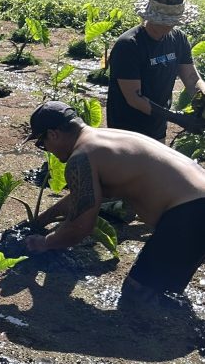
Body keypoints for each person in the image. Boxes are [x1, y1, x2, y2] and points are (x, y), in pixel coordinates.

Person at [23, 101, 205, 306]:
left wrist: (44, 243)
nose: (46, 149)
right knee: (164, 292)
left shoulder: (81, 157)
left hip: (191, 213)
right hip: (195, 204)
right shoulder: (103, 139)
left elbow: (80, 227)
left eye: (42, 143)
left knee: (136, 295)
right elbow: (84, 197)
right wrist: (43, 219)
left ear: (53, 134)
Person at [106, 0, 205, 141]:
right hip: (126, 131)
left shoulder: (178, 39)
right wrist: (177, 117)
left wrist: (203, 93)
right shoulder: (129, 45)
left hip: (157, 127)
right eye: (166, 21)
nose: (170, 25)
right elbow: (135, 98)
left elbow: (190, 77)